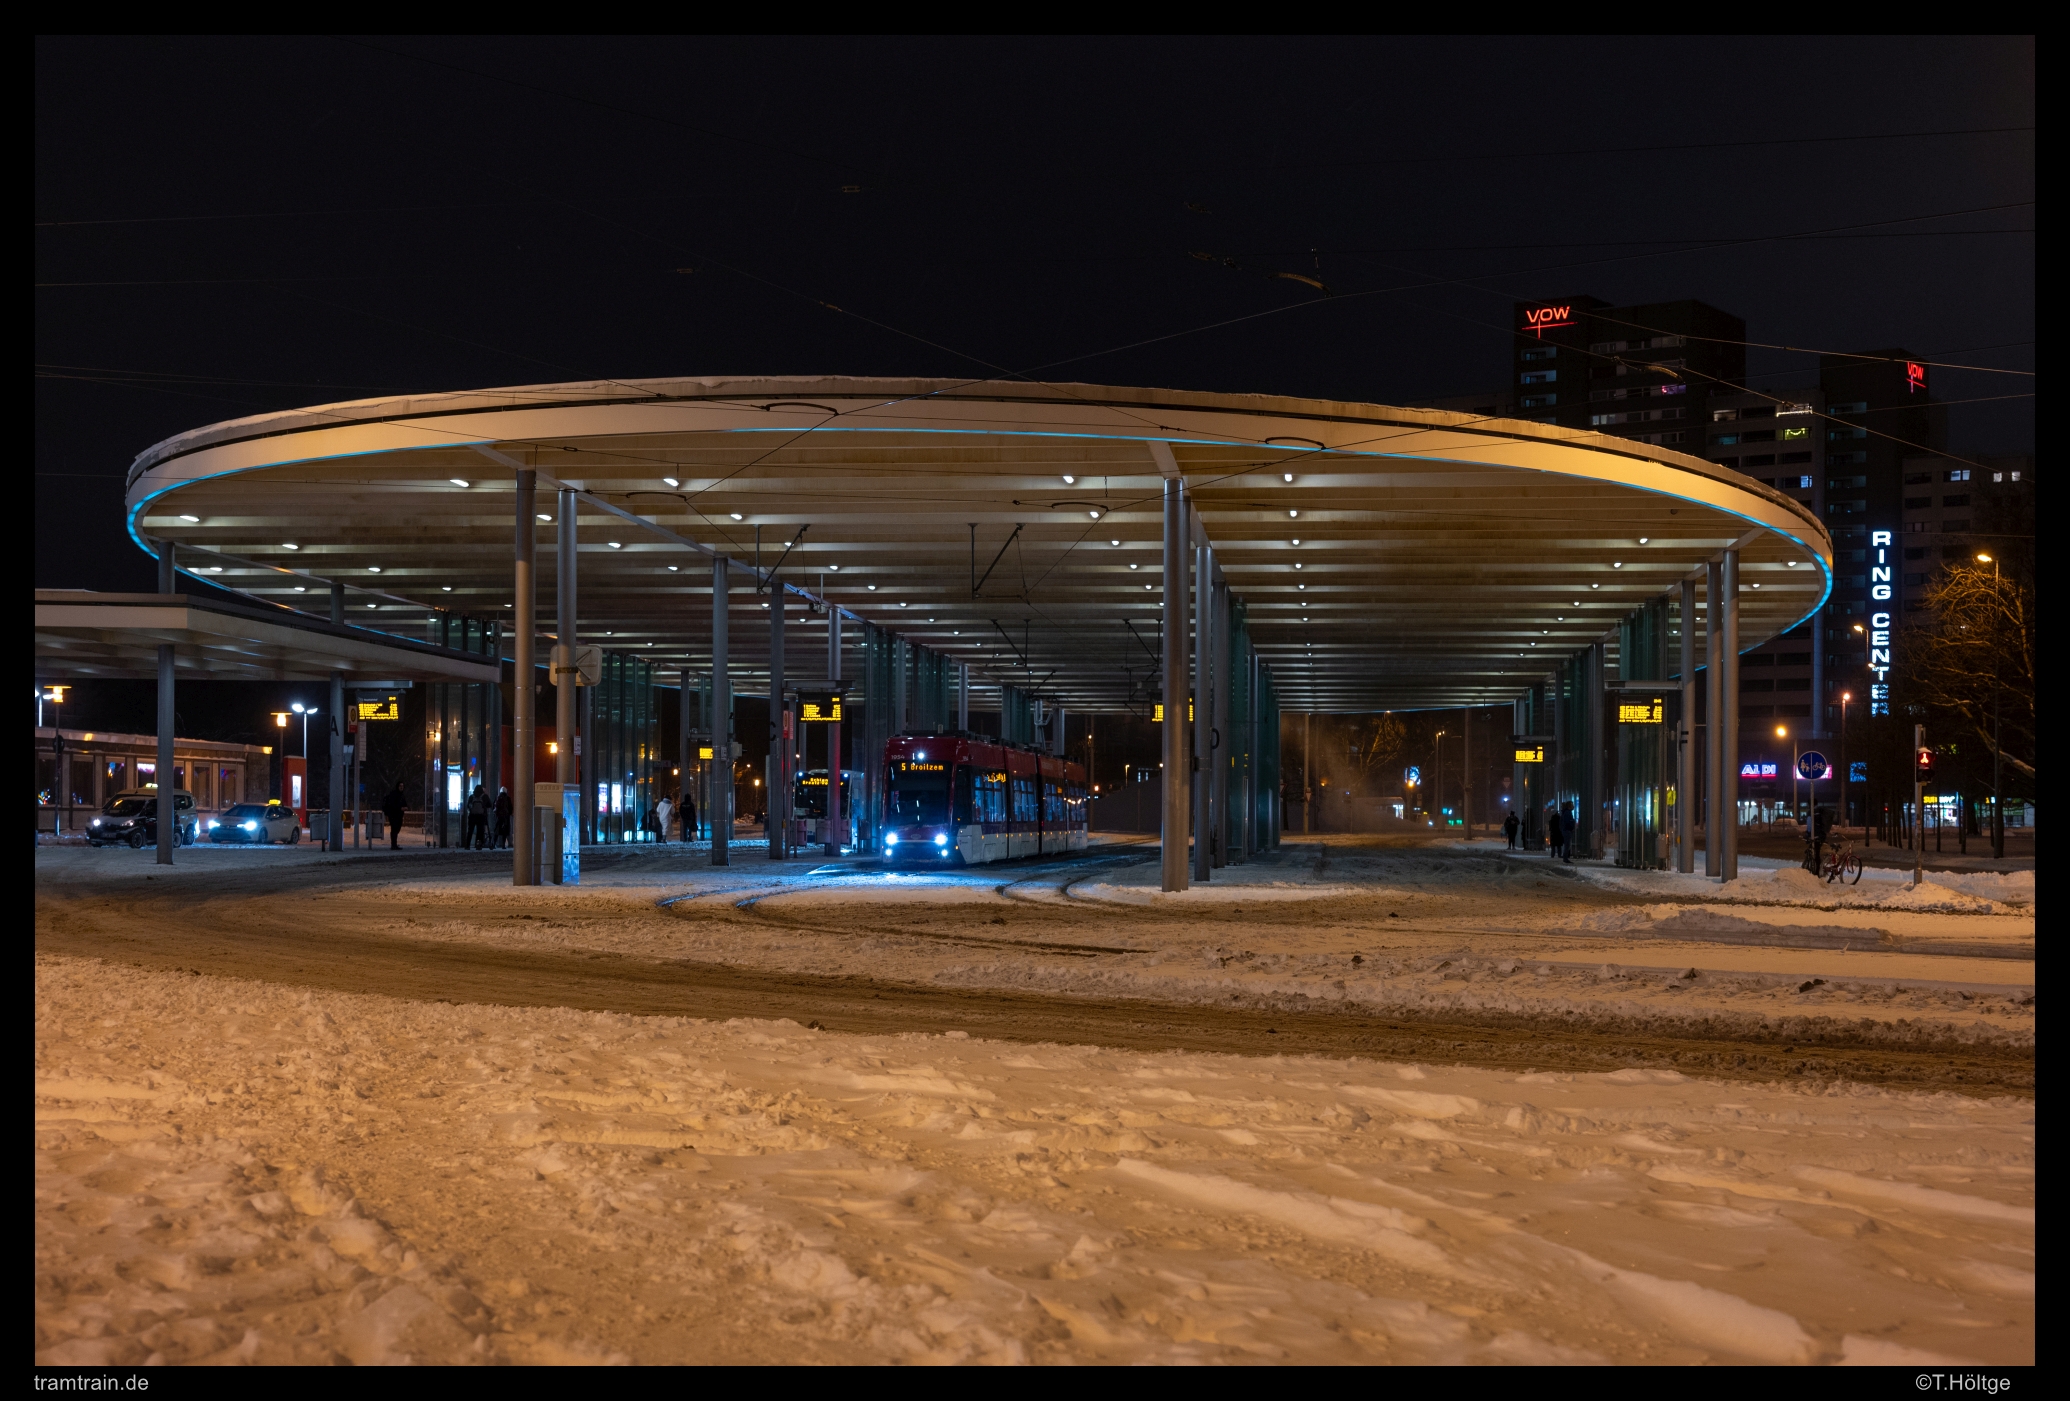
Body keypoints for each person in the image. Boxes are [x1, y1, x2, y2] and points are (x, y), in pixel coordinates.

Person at [381, 782, 407, 850]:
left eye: (402, 786)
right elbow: (392, 805)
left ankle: (394, 844)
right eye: (400, 786)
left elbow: (404, 803)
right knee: (394, 829)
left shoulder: (402, 795)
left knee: (396, 829)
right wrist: (400, 808)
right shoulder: (394, 795)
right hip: (393, 815)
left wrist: (405, 807)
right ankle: (393, 844)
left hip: (399, 815)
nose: (401, 787)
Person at [464, 783, 488, 850]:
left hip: (472, 816)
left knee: (470, 831)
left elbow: (468, 806)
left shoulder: (472, 797)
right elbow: (489, 804)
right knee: (479, 831)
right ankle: (478, 845)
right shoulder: (484, 797)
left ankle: (467, 845)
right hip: (481, 816)